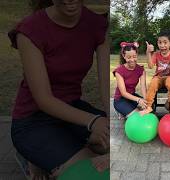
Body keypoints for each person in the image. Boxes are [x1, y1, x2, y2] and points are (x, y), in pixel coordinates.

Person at [8, 0, 108, 179]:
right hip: (33, 120)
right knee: (92, 172)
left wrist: (111, 124)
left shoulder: (97, 24)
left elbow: (106, 85)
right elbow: (44, 99)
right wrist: (93, 122)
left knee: (117, 146)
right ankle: (34, 158)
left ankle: (79, 146)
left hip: (73, 110)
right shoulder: (30, 30)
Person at [140, 30, 170, 119]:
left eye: (165, 42)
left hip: (169, 77)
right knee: (153, 82)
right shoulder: (156, 54)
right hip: (158, 77)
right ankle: (149, 106)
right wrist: (148, 53)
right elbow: (150, 66)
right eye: (160, 42)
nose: (162, 45)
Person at [113, 42, 147, 118]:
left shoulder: (141, 70)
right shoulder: (119, 71)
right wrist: (139, 100)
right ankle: (120, 110)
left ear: (137, 55)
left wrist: (145, 101)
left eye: (134, 56)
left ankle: (128, 110)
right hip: (120, 99)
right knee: (138, 116)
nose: (132, 60)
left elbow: (143, 87)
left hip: (132, 97)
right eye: (129, 57)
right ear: (124, 56)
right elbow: (123, 93)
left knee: (148, 109)